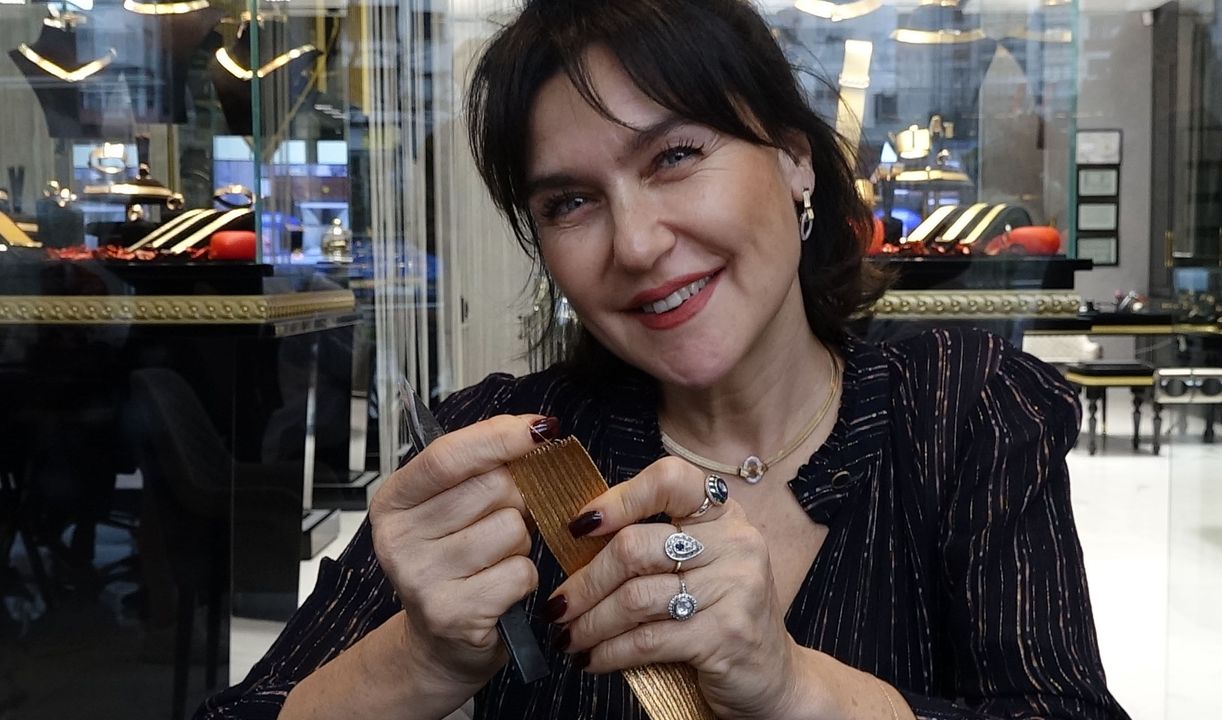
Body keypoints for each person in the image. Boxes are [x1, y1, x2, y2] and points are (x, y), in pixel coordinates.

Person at [200, 0, 1129, 718]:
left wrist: (793, 687)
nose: (638, 244)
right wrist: (422, 659)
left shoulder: (963, 411)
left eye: (676, 155)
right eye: (570, 203)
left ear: (794, 159)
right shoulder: (508, 450)